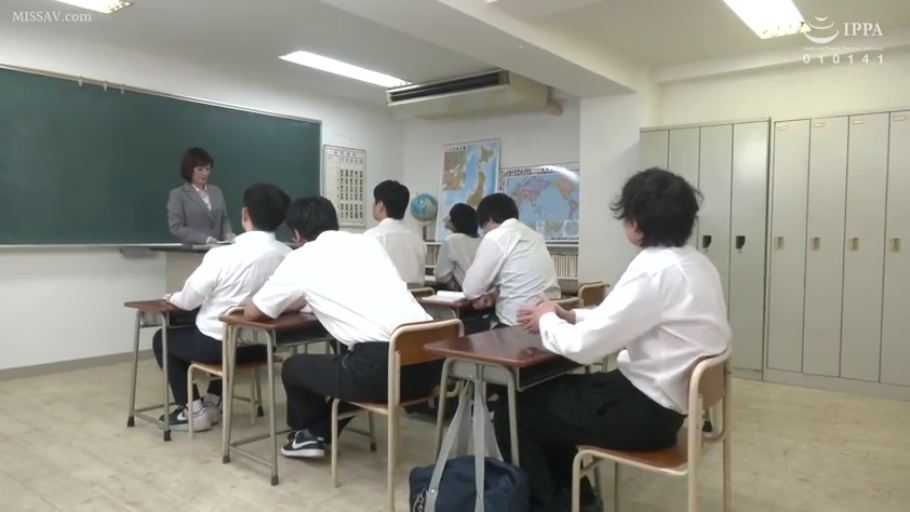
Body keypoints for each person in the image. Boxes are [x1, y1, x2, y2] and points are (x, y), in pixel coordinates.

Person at [509, 168, 732, 512]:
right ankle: (579, 500)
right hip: (668, 407)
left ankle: (554, 504)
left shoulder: (653, 268)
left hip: (645, 413)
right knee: (552, 399)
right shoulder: (698, 264)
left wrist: (546, 319)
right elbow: (625, 317)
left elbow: (583, 348)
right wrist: (571, 316)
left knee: (518, 408)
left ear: (636, 223)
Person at [243, 196, 440, 459]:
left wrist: (292, 304)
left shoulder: (302, 257)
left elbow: (254, 311)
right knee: (350, 365)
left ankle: (308, 435)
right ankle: (319, 431)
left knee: (294, 368)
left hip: (379, 372)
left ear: (297, 234)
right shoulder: (368, 243)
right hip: (429, 368)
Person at [153, 183, 292, 432]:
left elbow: (188, 300)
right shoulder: (288, 255)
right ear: (281, 221)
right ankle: (213, 402)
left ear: (245, 214)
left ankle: (193, 411)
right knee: (228, 332)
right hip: (263, 347)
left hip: (216, 348)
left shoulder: (222, 255)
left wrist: (172, 297)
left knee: (163, 338)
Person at [462, 193, 560, 327]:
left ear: (489, 219)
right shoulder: (535, 236)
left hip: (517, 326)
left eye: (483, 227)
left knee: (469, 328)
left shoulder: (496, 236)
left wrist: (485, 295)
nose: (484, 232)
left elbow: (470, 290)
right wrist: (494, 294)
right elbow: (519, 279)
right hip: (550, 321)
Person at [364, 180, 426, 285]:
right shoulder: (417, 240)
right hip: (416, 294)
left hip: (383, 294)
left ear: (380, 206)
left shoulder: (372, 237)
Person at [167, 147, 234, 244]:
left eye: (208, 169)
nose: (205, 173)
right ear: (190, 170)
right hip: (193, 250)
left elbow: (224, 219)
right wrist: (205, 239)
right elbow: (176, 227)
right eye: (200, 169)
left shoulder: (216, 191)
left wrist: (228, 234)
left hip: (218, 249)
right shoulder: (178, 194)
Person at [434, 203, 481, 290]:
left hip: (465, 292)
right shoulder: (481, 240)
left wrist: (450, 280)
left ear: (456, 221)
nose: (446, 218)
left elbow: (440, 275)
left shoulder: (452, 240)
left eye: (450, 215)